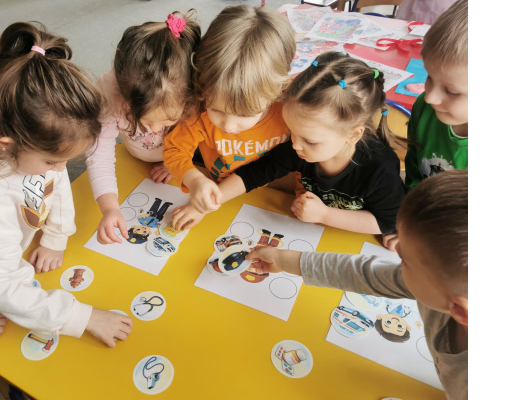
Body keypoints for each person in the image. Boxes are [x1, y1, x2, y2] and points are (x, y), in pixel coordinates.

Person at [0, 22, 133, 347]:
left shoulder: (30, 133)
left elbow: (52, 181)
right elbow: (4, 284)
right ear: (6, 146)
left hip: (10, 228)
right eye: (52, 162)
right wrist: (84, 317)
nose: (61, 170)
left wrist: (56, 236)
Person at [246, 170, 468, 399]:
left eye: (405, 260)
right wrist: (282, 259)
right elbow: (365, 273)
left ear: (460, 311)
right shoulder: (443, 287)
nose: (396, 250)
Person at [173, 51, 406, 236]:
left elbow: (389, 222)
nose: (294, 145)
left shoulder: (380, 170)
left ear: (353, 135)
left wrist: (325, 215)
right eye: (292, 133)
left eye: (309, 140)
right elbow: (253, 174)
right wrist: (203, 206)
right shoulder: (299, 149)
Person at [163, 4, 296, 217]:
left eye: (244, 114)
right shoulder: (199, 110)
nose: (228, 125)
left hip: (271, 198)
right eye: (216, 109)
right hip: (225, 197)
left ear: (277, 91)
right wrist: (194, 179)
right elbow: (175, 149)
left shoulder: (290, 107)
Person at [85, 10, 201, 246]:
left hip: (183, 158)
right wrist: (110, 208)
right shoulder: (109, 93)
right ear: (125, 97)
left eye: (168, 121)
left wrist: (177, 162)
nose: (154, 129)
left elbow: (200, 133)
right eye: (145, 121)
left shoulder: (194, 91)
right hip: (135, 159)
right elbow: (99, 154)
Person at [384, 0, 468, 251]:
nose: (430, 97)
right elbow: (414, 168)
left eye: (451, 91)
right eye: (430, 77)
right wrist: (412, 219)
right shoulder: (425, 107)